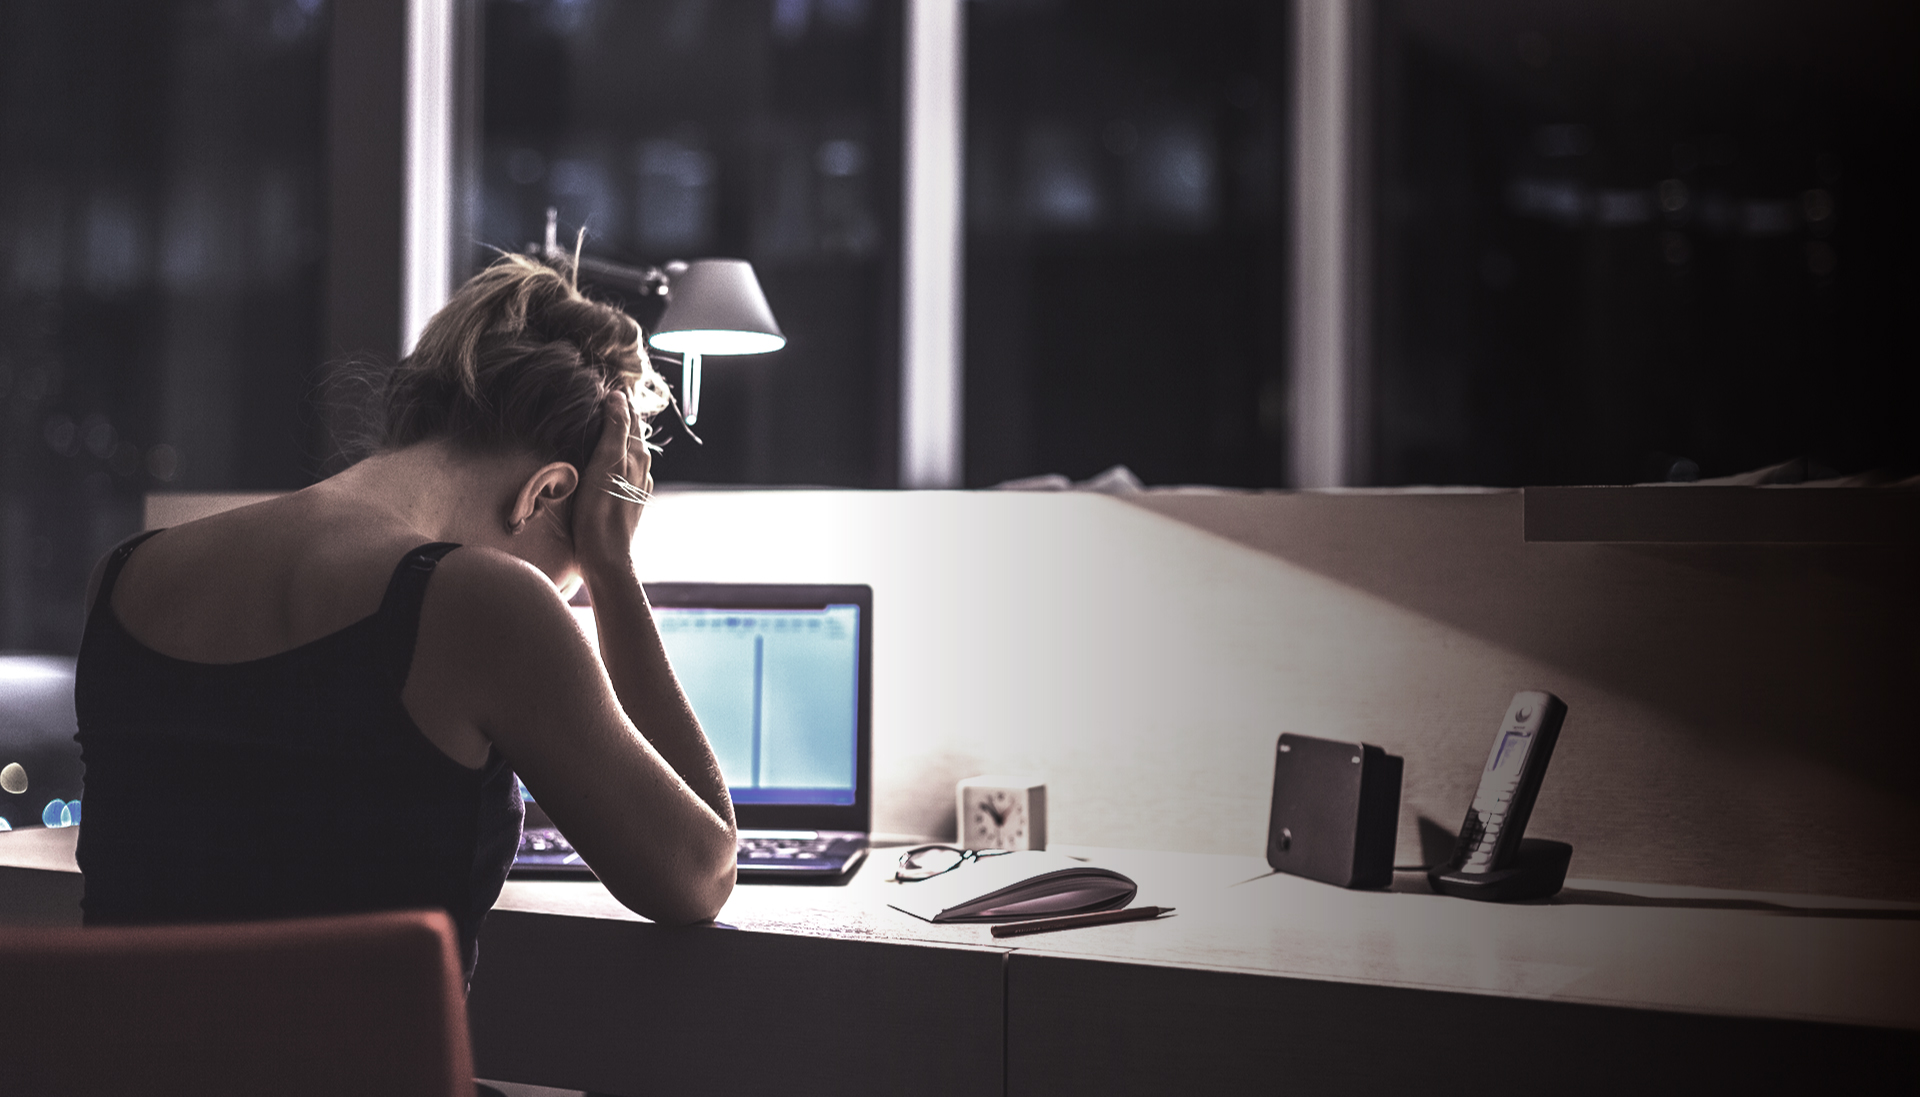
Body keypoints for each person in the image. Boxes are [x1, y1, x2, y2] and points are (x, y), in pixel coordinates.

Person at [72, 255, 737, 978]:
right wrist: (612, 570)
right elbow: (700, 873)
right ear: (544, 493)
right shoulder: (487, 603)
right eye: (566, 571)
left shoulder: (128, 572)